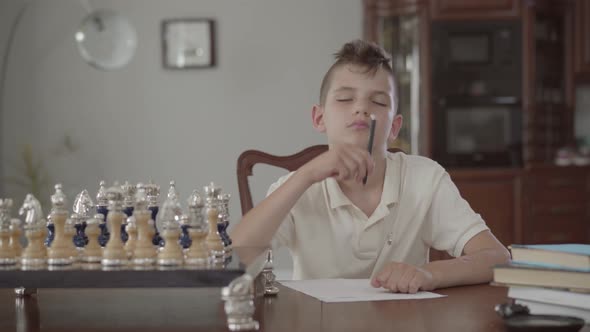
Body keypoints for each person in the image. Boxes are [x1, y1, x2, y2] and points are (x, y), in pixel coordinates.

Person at [231, 39, 510, 293]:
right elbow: (238, 256)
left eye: (377, 101)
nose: (361, 109)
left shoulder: (425, 178)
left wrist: (428, 274)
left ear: (394, 127)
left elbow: (496, 257)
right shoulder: (298, 186)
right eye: (344, 98)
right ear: (319, 118)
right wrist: (306, 174)